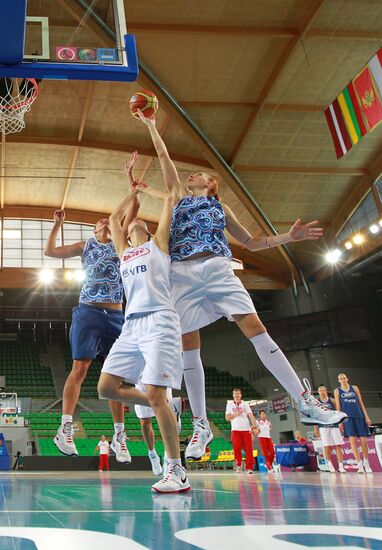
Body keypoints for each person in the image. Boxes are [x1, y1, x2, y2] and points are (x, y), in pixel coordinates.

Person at [137, 111, 347, 459]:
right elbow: (165, 161)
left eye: (200, 173)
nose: (193, 174)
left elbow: (252, 243)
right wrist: (150, 125)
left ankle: (305, 401)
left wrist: (288, 237)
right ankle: (201, 425)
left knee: (254, 327)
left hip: (219, 268)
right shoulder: (175, 199)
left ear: (211, 183)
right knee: (189, 342)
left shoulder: (222, 208)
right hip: (183, 274)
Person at [97, 160, 190, 493]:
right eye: (131, 219)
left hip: (160, 321)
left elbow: (169, 199)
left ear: (149, 230)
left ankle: (177, 470)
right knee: (106, 388)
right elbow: (112, 220)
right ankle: (160, 404)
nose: (133, 220)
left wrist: (147, 189)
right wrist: (130, 187)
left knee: (155, 395)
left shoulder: (158, 245)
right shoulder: (124, 252)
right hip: (131, 326)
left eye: (139, 219)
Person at [44, 158, 140, 461]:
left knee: (117, 376)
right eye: (97, 221)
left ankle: (119, 436)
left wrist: (130, 180)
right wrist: (57, 225)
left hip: (116, 315)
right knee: (80, 368)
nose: (102, 221)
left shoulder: (121, 242)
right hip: (88, 311)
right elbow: (50, 252)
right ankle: (65, 428)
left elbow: (132, 210)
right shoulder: (86, 245)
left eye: (105, 220)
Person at [334, 373, 373, 474]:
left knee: (364, 441)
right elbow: (338, 407)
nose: (342, 380)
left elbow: (361, 403)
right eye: (340, 378)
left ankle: (366, 462)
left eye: (344, 378)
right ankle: (359, 465)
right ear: (338, 381)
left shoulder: (354, 388)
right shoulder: (337, 391)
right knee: (353, 442)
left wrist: (367, 416)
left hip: (359, 416)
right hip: (347, 419)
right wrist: (340, 421)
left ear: (347, 379)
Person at [314, 385, 346, 474]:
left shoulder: (332, 400)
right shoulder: (317, 402)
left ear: (326, 391)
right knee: (327, 446)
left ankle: (341, 466)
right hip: (323, 426)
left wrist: (340, 423)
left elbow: (338, 412)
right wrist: (315, 428)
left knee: (338, 445)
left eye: (324, 390)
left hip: (334, 425)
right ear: (318, 392)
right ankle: (329, 464)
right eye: (320, 391)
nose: (322, 392)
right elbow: (315, 416)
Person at [225, 388, 257, 474]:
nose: (236, 395)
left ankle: (249, 468)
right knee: (237, 448)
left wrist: (254, 426)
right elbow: (227, 418)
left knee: (249, 449)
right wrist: (236, 414)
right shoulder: (229, 404)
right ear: (233, 395)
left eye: (238, 393)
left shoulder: (245, 404)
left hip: (246, 430)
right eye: (235, 393)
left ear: (241, 395)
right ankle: (238, 465)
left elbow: (251, 415)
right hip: (235, 430)